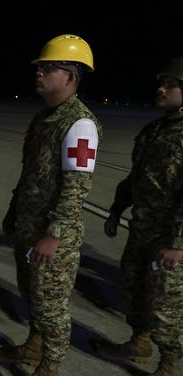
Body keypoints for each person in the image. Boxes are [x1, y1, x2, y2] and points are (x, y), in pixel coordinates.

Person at [0, 34, 101, 375]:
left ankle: (50, 366)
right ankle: (34, 344)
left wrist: (53, 235)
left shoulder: (79, 124)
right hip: (30, 227)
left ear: (70, 77)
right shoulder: (45, 118)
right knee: (32, 295)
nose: (39, 73)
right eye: (39, 68)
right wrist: (14, 213)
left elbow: (75, 188)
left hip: (53, 237)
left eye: (48, 68)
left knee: (52, 305)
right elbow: (31, 175)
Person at [90, 57, 183, 376]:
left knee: (166, 303)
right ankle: (139, 342)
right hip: (142, 227)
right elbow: (136, 177)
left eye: (171, 85)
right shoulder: (154, 130)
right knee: (135, 287)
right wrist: (117, 209)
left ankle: (170, 363)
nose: (161, 88)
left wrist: (177, 243)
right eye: (162, 83)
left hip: (170, 235)